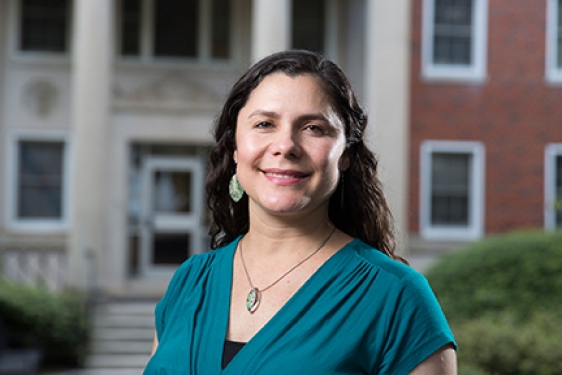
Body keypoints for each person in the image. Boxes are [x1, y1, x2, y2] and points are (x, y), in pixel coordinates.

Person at [144, 50, 457, 374]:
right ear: (235, 147)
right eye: (265, 124)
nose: (286, 145)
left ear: (346, 154)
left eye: (313, 128)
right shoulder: (189, 282)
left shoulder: (397, 297)